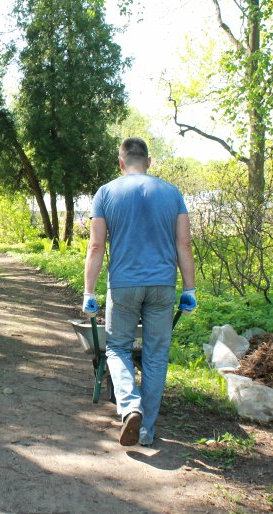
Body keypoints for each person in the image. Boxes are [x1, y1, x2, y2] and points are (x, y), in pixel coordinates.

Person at [82, 137, 196, 447]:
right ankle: (146, 431)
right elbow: (183, 243)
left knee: (117, 348)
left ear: (121, 163)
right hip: (162, 286)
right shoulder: (172, 193)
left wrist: (88, 292)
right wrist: (190, 288)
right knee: (156, 355)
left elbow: (96, 246)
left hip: (123, 285)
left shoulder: (106, 193)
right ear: (148, 161)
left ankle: (130, 406)